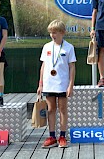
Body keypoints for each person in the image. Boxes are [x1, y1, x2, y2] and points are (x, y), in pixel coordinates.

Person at [37, 20, 76, 148]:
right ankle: (52, 136)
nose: (52, 35)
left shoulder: (69, 47)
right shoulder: (46, 47)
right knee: (51, 109)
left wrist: (71, 85)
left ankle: (63, 136)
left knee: (63, 109)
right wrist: (40, 84)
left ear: (62, 33)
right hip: (49, 83)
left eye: (55, 32)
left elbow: (72, 67)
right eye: (51, 33)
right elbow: (43, 66)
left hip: (62, 84)